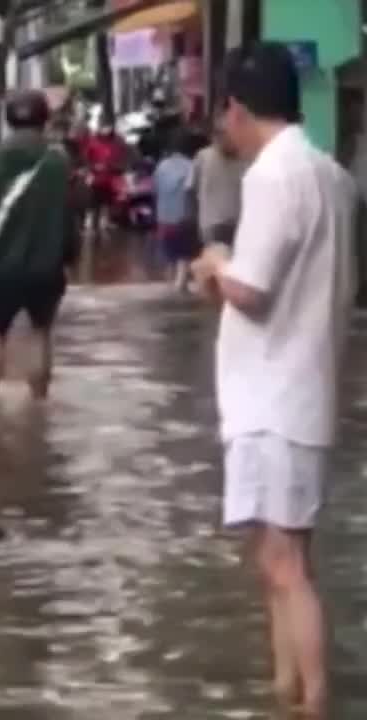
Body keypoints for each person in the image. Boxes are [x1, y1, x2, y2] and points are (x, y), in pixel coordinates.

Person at [191, 43, 358, 718]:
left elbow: (252, 291)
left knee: (284, 567)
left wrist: (213, 265)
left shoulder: (271, 176)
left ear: (235, 108)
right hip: (306, 389)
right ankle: (285, 693)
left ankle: (311, 701)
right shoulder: (330, 174)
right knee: (284, 563)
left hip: (273, 396)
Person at [0, 89, 79, 400]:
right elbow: (70, 219)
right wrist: (68, 257)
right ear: (44, 119)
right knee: (40, 333)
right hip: (45, 269)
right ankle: (39, 407)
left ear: (8, 119)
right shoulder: (58, 163)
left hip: (0, 268)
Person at [189, 118, 246, 249]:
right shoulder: (245, 157)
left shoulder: (203, 156)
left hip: (213, 224)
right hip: (232, 222)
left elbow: (191, 189)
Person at [153, 130, 197, 290]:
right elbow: (191, 189)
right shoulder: (191, 166)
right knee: (184, 254)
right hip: (184, 216)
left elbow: (155, 188)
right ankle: (180, 285)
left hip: (164, 216)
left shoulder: (162, 166)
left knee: (169, 252)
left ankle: (169, 283)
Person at [81, 122, 127, 235]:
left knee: (107, 203)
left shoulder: (116, 143)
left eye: (108, 127)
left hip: (109, 179)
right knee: (95, 203)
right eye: (104, 127)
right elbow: (85, 159)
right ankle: (94, 225)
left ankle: (104, 224)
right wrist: (93, 167)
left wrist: (115, 167)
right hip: (97, 179)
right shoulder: (93, 142)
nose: (106, 130)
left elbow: (120, 159)